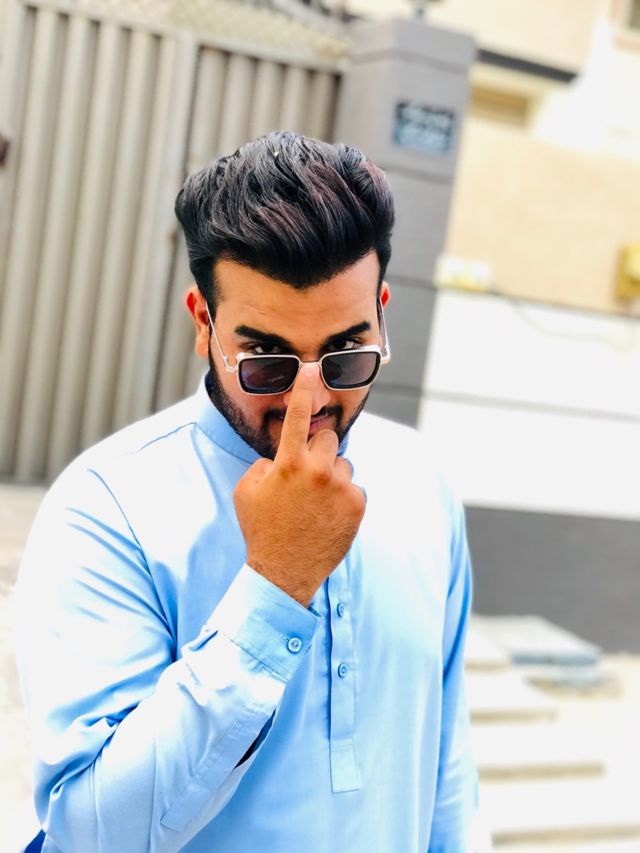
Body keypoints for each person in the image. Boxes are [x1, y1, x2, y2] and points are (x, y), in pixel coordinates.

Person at [15, 131, 480, 852]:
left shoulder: (422, 483)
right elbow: (91, 832)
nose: (308, 401)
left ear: (383, 314)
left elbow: (443, 768)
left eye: (346, 354)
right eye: (266, 358)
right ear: (204, 324)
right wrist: (275, 586)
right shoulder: (107, 509)